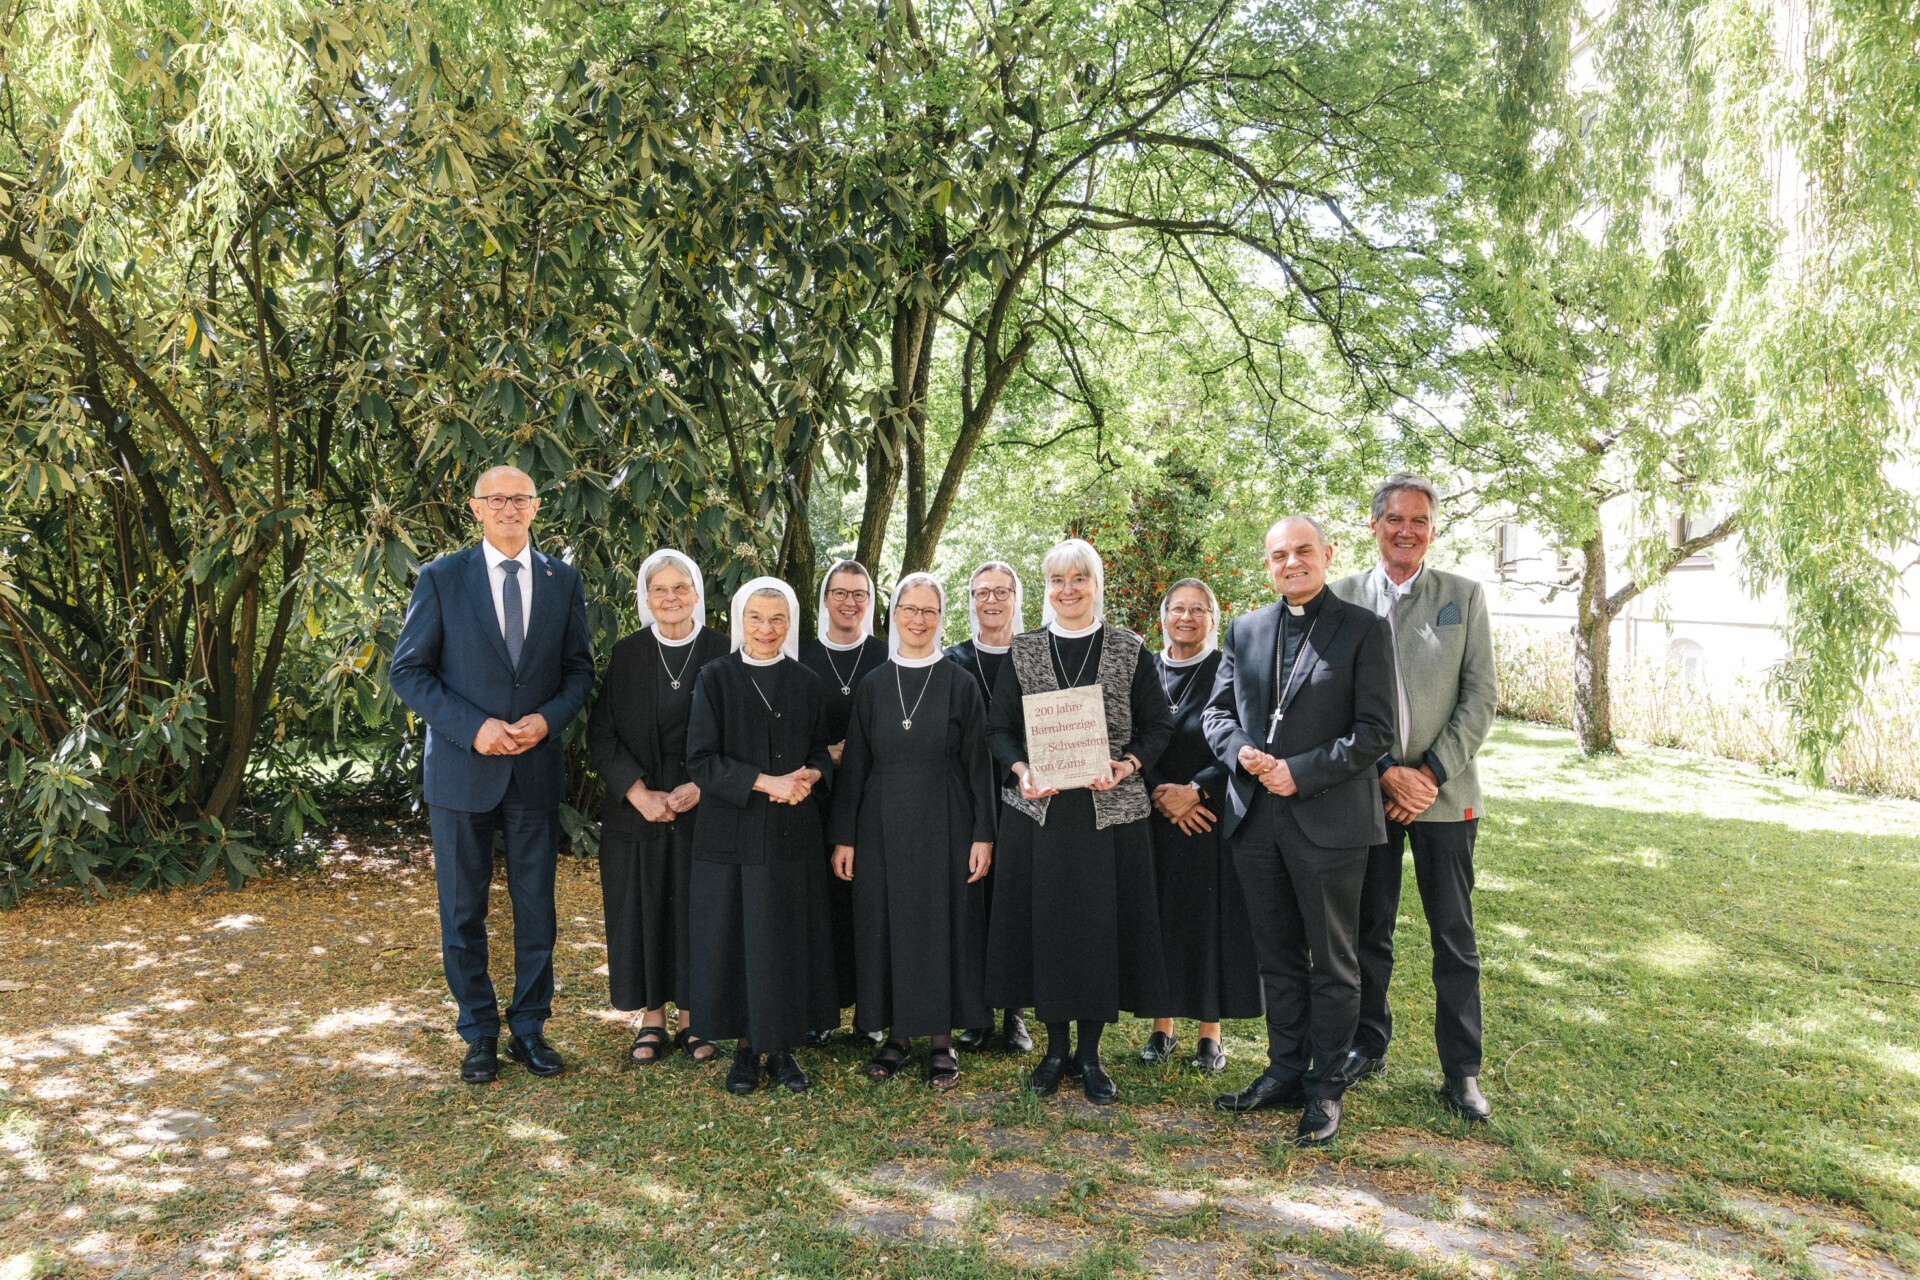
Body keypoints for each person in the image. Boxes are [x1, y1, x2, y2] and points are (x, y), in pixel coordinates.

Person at [390, 464, 594, 1084]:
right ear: (475, 508)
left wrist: (548, 720)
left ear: (536, 507)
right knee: (462, 910)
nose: (509, 508)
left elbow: (579, 671)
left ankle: (529, 1027)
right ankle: (477, 1031)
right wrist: (472, 727)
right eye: (496, 499)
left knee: (537, 909)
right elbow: (408, 671)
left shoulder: (563, 580)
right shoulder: (441, 577)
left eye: (520, 498)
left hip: (534, 770)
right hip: (461, 770)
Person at [1203, 515, 1394, 1145]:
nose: (1292, 562)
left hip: (1330, 820)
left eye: (1303, 551)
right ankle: (1284, 1070)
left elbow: (1375, 731)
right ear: (1268, 565)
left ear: (1327, 554)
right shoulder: (1246, 629)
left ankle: (1326, 1087)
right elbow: (1216, 713)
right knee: (1277, 956)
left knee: (1334, 963)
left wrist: (1300, 772)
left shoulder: (1364, 628)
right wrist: (1241, 754)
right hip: (1255, 819)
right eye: (1279, 555)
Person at [1329, 475, 1498, 1122]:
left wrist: (1428, 773)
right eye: (1395, 519)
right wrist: (1381, 774)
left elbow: (1480, 697)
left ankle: (1462, 1071)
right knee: (1366, 929)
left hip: (1445, 795)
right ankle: (1366, 1045)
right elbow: (1330, 699)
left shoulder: (1463, 596)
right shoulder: (1342, 597)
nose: (1407, 530)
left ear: (1432, 529)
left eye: (1419, 520)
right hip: (1365, 793)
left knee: (1453, 936)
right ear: (1374, 525)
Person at [984, 538, 1173, 1105]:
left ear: (1096, 585)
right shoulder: (1024, 650)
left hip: (1107, 816)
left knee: (1097, 933)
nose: (1068, 590)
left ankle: (1089, 1056)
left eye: (1079, 579)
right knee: (1048, 932)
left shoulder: (1128, 648)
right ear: (1047, 588)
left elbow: (1158, 725)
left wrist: (1128, 764)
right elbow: (998, 729)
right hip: (1041, 815)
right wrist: (1020, 769)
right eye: (1057, 580)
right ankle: (1054, 1051)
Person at [829, 573, 995, 1089]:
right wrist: (845, 836)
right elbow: (856, 765)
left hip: (947, 819)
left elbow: (979, 765)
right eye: (909, 609)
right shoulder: (874, 684)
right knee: (888, 922)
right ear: (894, 614)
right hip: (880, 822)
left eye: (929, 611)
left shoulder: (961, 683)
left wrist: (983, 834)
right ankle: (897, 1035)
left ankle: (941, 1040)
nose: (918, 620)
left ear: (941, 618)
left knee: (941, 924)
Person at [685, 578, 837, 1094]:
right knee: (740, 941)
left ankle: (784, 1048)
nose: (766, 629)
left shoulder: (806, 681)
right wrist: (766, 782)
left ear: (789, 623)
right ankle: (747, 1051)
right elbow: (701, 760)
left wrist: (811, 776)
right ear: (739, 621)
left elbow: (819, 750)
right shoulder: (715, 677)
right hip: (733, 834)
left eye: (776, 619)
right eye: (756, 618)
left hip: (792, 834)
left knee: (786, 939)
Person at [587, 549, 730, 1067]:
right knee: (643, 910)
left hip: (705, 808)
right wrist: (639, 793)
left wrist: (702, 786)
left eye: (680, 587)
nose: (671, 598)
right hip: (638, 812)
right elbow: (601, 734)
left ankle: (694, 1019)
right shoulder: (628, 654)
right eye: (659, 589)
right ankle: (653, 1018)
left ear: (696, 593)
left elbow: (742, 734)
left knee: (696, 912)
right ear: (645, 599)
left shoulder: (723, 650)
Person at [1138, 578, 1263, 1072]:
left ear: (1214, 619)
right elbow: (1127, 735)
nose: (1186, 618)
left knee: (1208, 923)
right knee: (1160, 920)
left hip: (1209, 815)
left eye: (1198, 610)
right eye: (1177, 608)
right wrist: (1159, 792)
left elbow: (1244, 736)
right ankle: (1161, 1028)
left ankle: (1210, 1034)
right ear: (1163, 616)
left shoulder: (1228, 670)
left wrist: (1197, 790)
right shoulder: (1145, 669)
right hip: (1154, 815)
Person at [798, 558, 889, 1044]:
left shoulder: (887, 655)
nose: (849, 602)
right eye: (840, 593)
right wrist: (825, 754)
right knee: (822, 907)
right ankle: (821, 1011)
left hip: (874, 801)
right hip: (817, 799)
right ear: (825, 599)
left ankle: (871, 1014)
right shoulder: (802, 656)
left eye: (859, 594)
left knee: (868, 906)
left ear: (869, 602)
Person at [946, 561, 1034, 1055]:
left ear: (1017, 598)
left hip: (1025, 793)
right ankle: (975, 1013)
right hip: (966, 796)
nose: (993, 601)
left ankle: (1014, 1014)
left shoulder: (1035, 654)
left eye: (1002, 592)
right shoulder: (953, 659)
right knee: (974, 900)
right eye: (983, 592)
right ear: (972, 601)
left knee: (1014, 899)